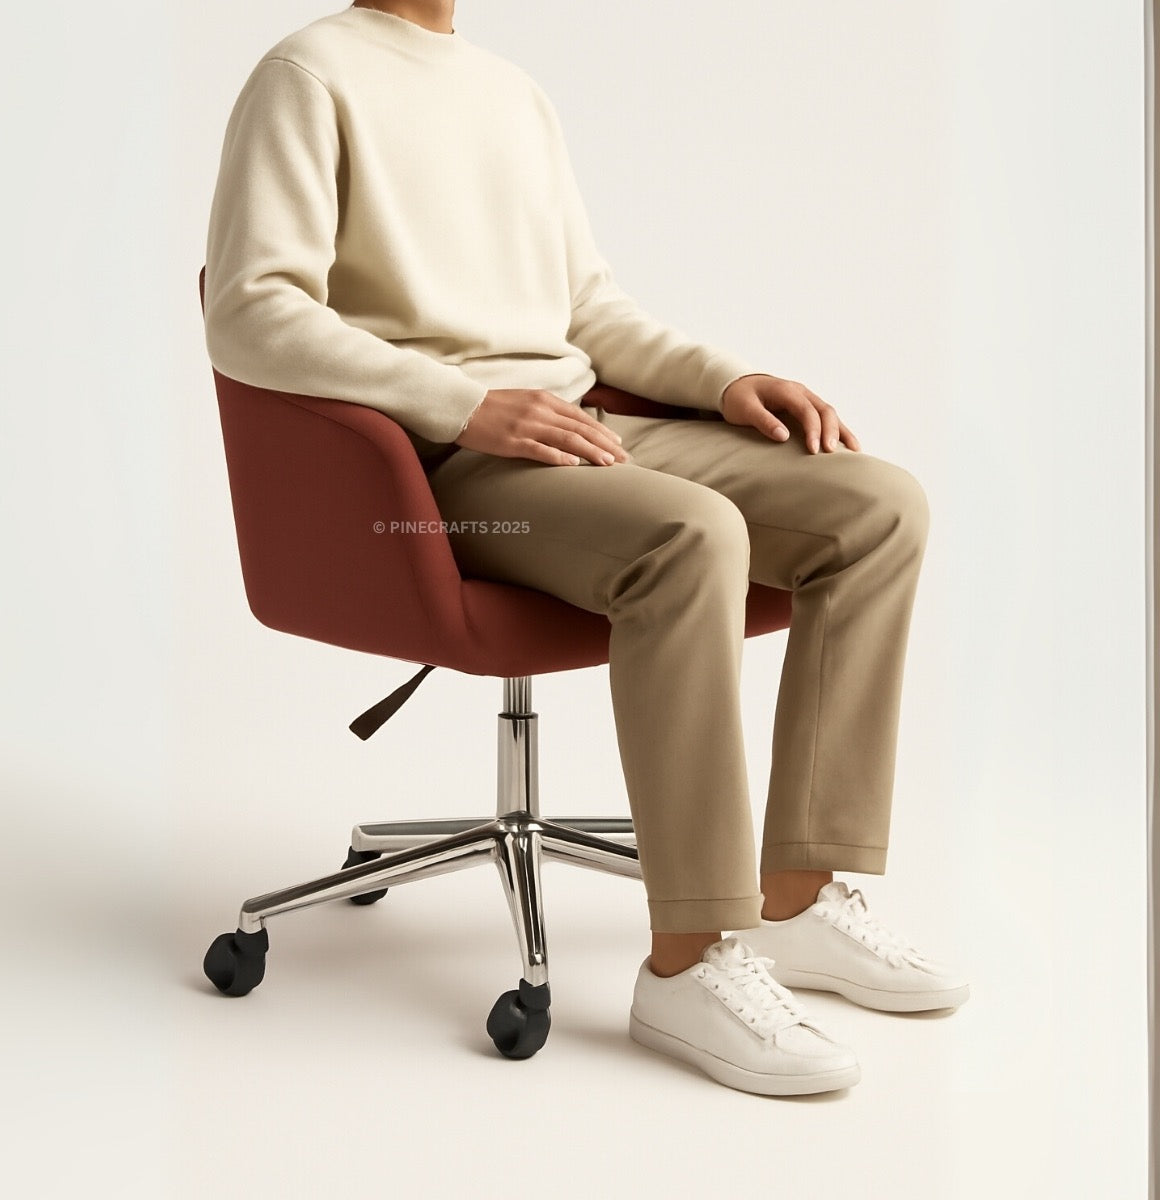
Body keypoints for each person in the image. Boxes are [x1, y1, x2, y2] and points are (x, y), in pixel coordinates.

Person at [202, 0, 969, 1096]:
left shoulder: (512, 93)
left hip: (587, 431)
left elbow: (590, 311)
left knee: (877, 507)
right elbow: (250, 311)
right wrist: (464, 404)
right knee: (690, 531)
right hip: (439, 481)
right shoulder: (306, 74)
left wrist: (722, 380)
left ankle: (796, 900)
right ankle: (689, 961)